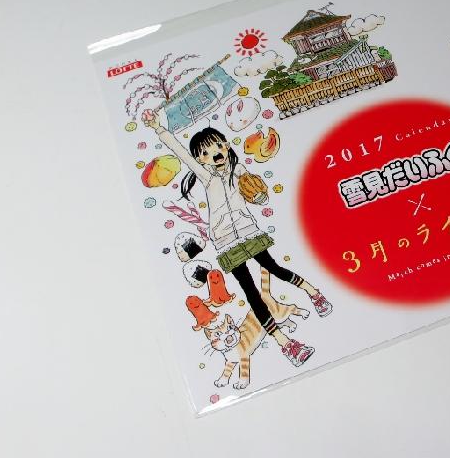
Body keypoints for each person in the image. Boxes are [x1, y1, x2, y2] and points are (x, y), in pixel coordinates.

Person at [142, 110, 332, 367]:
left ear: (226, 144)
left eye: (218, 146)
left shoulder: (239, 171)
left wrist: (261, 197)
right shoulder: (206, 176)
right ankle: (286, 344)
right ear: (200, 159)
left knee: (274, 268)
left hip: (248, 231)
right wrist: (158, 127)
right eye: (206, 152)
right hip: (225, 241)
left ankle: (314, 294)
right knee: (251, 292)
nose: (215, 153)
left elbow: (257, 193)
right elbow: (180, 152)